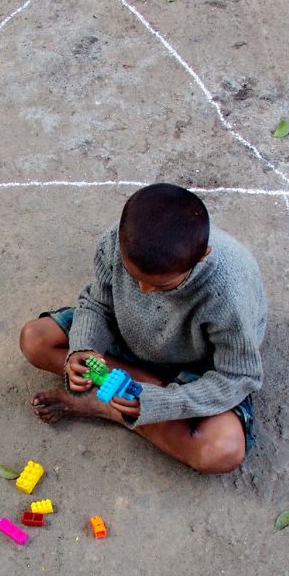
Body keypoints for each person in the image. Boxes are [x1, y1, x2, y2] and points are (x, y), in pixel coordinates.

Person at [18, 183, 266, 474]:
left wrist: (163, 402)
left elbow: (238, 376)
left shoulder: (229, 290)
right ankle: (131, 396)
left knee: (221, 451)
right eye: (133, 276)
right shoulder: (117, 240)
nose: (144, 290)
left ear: (202, 256)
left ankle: (108, 407)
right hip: (129, 336)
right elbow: (98, 303)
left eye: (162, 285)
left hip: (197, 367)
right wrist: (83, 348)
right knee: (35, 339)